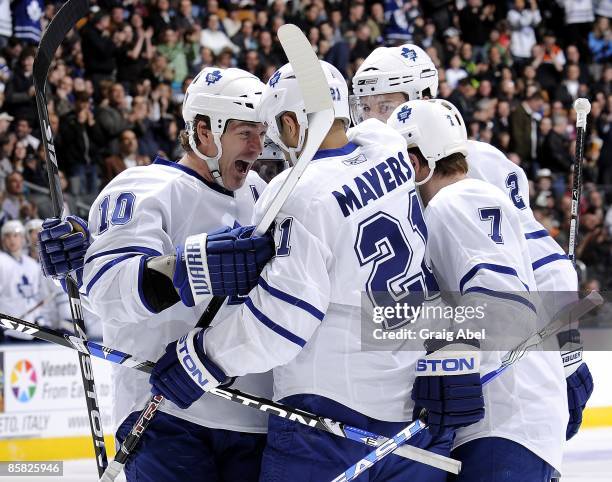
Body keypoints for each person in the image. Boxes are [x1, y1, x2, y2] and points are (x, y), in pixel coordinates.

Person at [147, 60, 484, 480]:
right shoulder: (389, 148)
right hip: (411, 406)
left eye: (275, 128)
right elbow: (360, 133)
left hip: (328, 418)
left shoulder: (298, 195)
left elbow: (283, 322)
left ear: (291, 122)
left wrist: (203, 357)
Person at [350, 42, 593, 446]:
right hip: (423, 390)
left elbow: (547, 266)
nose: (373, 119)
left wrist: (568, 355)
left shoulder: (476, 163)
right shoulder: (370, 172)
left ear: (422, 99)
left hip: (491, 386)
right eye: (366, 106)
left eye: (385, 105)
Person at [38, 67, 274, 482]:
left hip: (253, 418)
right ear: (204, 132)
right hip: (165, 415)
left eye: (261, 132)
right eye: (245, 133)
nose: (258, 147)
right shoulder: (146, 187)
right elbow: (108, 291)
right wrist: (192, 268)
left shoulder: (264, 193)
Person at [387, 99, 567, 481]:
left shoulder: (452, 203)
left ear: (417, 165)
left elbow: (503, 306)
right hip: (512, 418)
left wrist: (452, 361)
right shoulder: (474, 197)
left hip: (504, 420)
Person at [0, 220, 47, 341]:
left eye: (15, 235)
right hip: (7, 331)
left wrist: (40, 320)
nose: (12, 240)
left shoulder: (32, 265)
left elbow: (36, 297)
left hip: (31, 330)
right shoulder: (1, 261)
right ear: (3, 240)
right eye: (7, 236)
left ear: (22, 238)